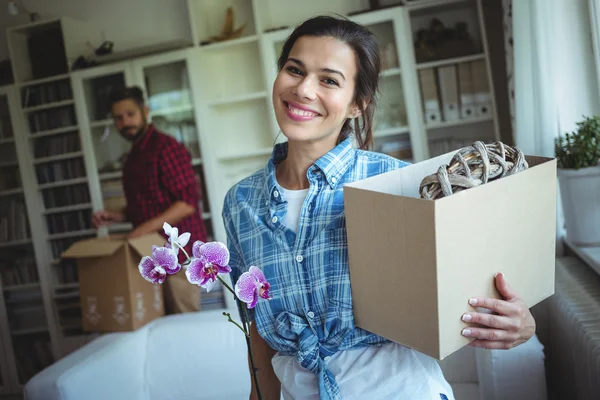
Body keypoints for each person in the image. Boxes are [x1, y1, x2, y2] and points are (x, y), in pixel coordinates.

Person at [222, 16, 537, 400]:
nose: (303, 89)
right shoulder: (240, 203)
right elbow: (257, 328)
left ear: (357, 104)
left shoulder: (399, 184)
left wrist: (521, 323)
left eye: (329, 80)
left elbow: (474, 289)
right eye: (294, 70)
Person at [92, 86, 206, 314]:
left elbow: (186, 204)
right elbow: (149, 204)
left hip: (178, 253)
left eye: (130, 114)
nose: (125, 122)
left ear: (145, 112)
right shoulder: (134, 156)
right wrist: (120, 215)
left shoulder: (166, 148)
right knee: (157, 322)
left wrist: (143, 229)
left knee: (183, 320)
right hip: (151, 254)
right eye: (119, 118)